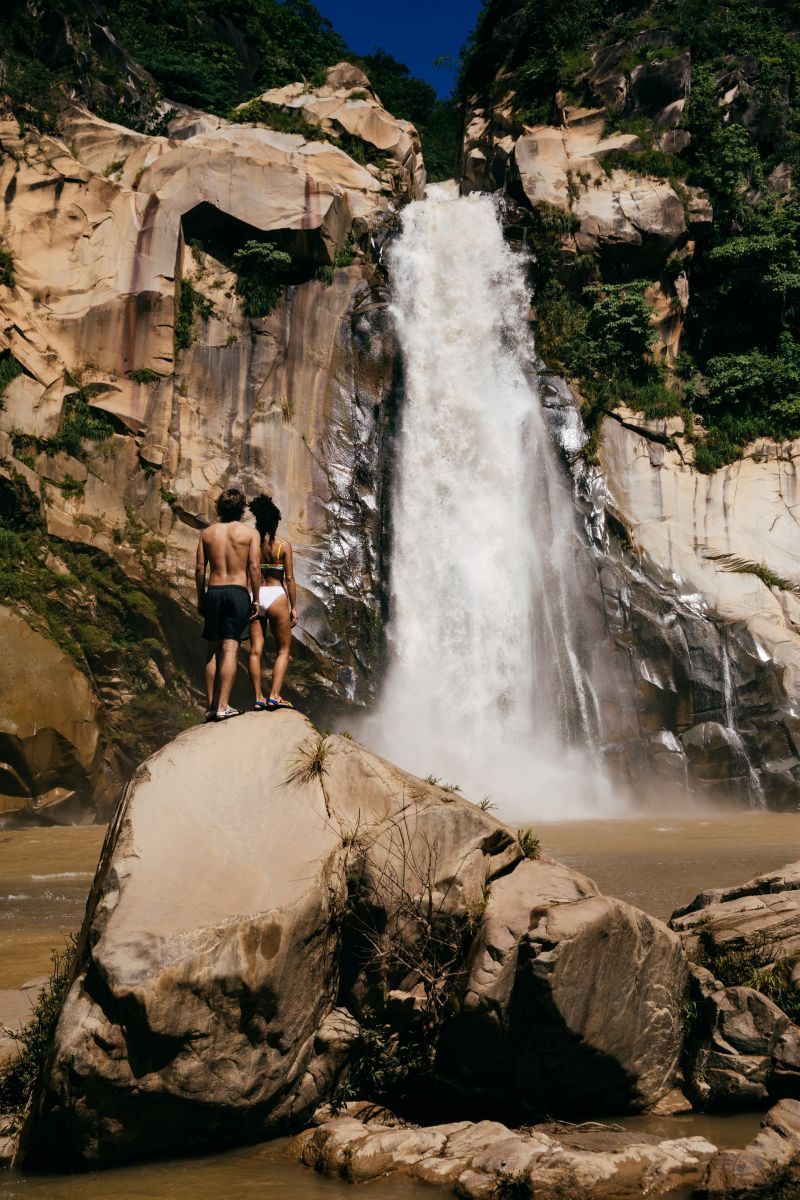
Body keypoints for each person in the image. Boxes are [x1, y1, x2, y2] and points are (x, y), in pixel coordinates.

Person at [195, 487, 261, 721]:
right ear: (242, 509)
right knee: (231, 648)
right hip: (237, 591)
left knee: (212, 649)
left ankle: (211, 706)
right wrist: (256, 598)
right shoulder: (250, 534)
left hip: (213, 591)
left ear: (219, 508)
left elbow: (201, 569)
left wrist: (201, 598)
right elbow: (254, 567)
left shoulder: (207, 533)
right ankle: (223, 706)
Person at [248, 493, 298, 711]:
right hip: (277, 596)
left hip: (257, 596)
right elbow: (289, 578)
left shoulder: (252, 545)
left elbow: (249, 571)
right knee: (283, 650)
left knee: (255, 650)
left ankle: (258, 697)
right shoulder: (283, 546)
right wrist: (294, 607)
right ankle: (274, 696)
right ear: (276, 522)